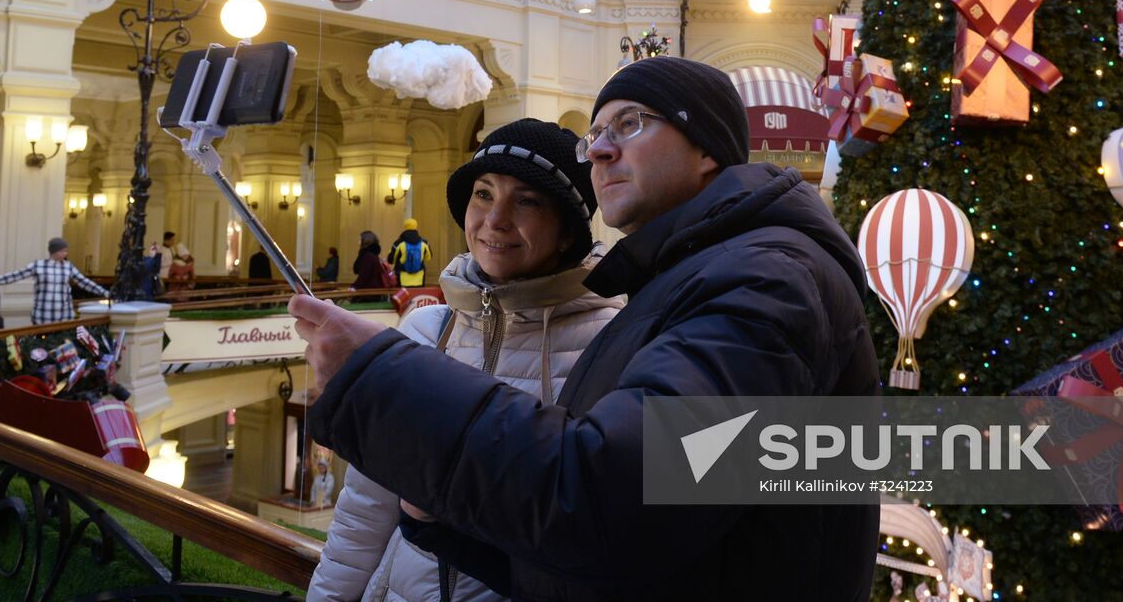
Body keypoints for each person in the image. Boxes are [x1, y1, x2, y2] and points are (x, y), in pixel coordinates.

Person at [291, 57, 880, 602]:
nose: (598, 150)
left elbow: (615, 499)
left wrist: (382, 379)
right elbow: (636, 549)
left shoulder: (763, 279)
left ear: (707, 148)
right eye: (594, 134)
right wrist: (449, 532)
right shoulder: (687, 279)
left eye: (629, 124)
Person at [308, 119, 622, 602]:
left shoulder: (607, 343)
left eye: (527, 200)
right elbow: (365, 508)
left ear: (567, 233)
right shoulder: (422, 331)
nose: (494, 219)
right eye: (483, 193)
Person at [0, 237, 108, 324]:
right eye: (62, 251)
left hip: (64, 314)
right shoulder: (39, 265)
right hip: (43, 314)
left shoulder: (68, 266)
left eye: (66, 251)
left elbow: (84, 282)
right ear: (54, 251)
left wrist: (104, 292)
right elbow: (17, 275)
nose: (65, 254)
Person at [387, 218, 430, 288]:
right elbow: (428, 257)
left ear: (405, 227)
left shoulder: (398, 243)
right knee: (417, 297)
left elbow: (391, 260)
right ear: (416, 226)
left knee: (403, 298)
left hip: (402, 278)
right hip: (419, 278)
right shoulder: (424, 243)